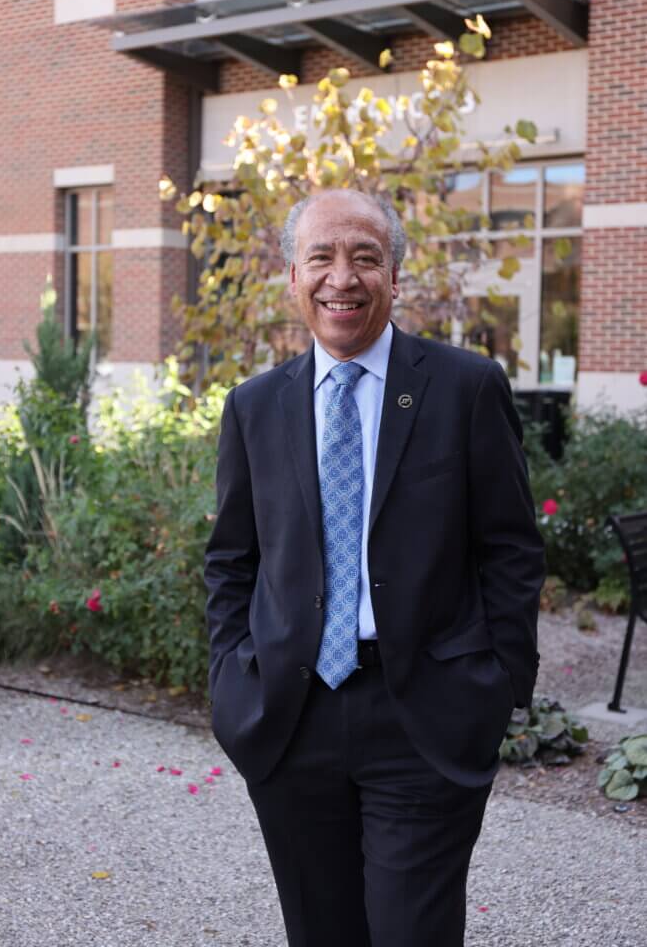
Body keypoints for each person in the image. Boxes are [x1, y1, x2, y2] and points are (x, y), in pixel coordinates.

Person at [205, 188, 545, 947]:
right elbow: (232, 558)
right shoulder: (255, 406)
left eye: (364, 256)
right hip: (291, 718)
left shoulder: (463, 387)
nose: (342, 278)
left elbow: (511, 549)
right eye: (320, 257)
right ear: (291, 277)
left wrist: (497, 685)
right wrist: (233, 678)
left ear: (396, 273)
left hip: (422, 712)